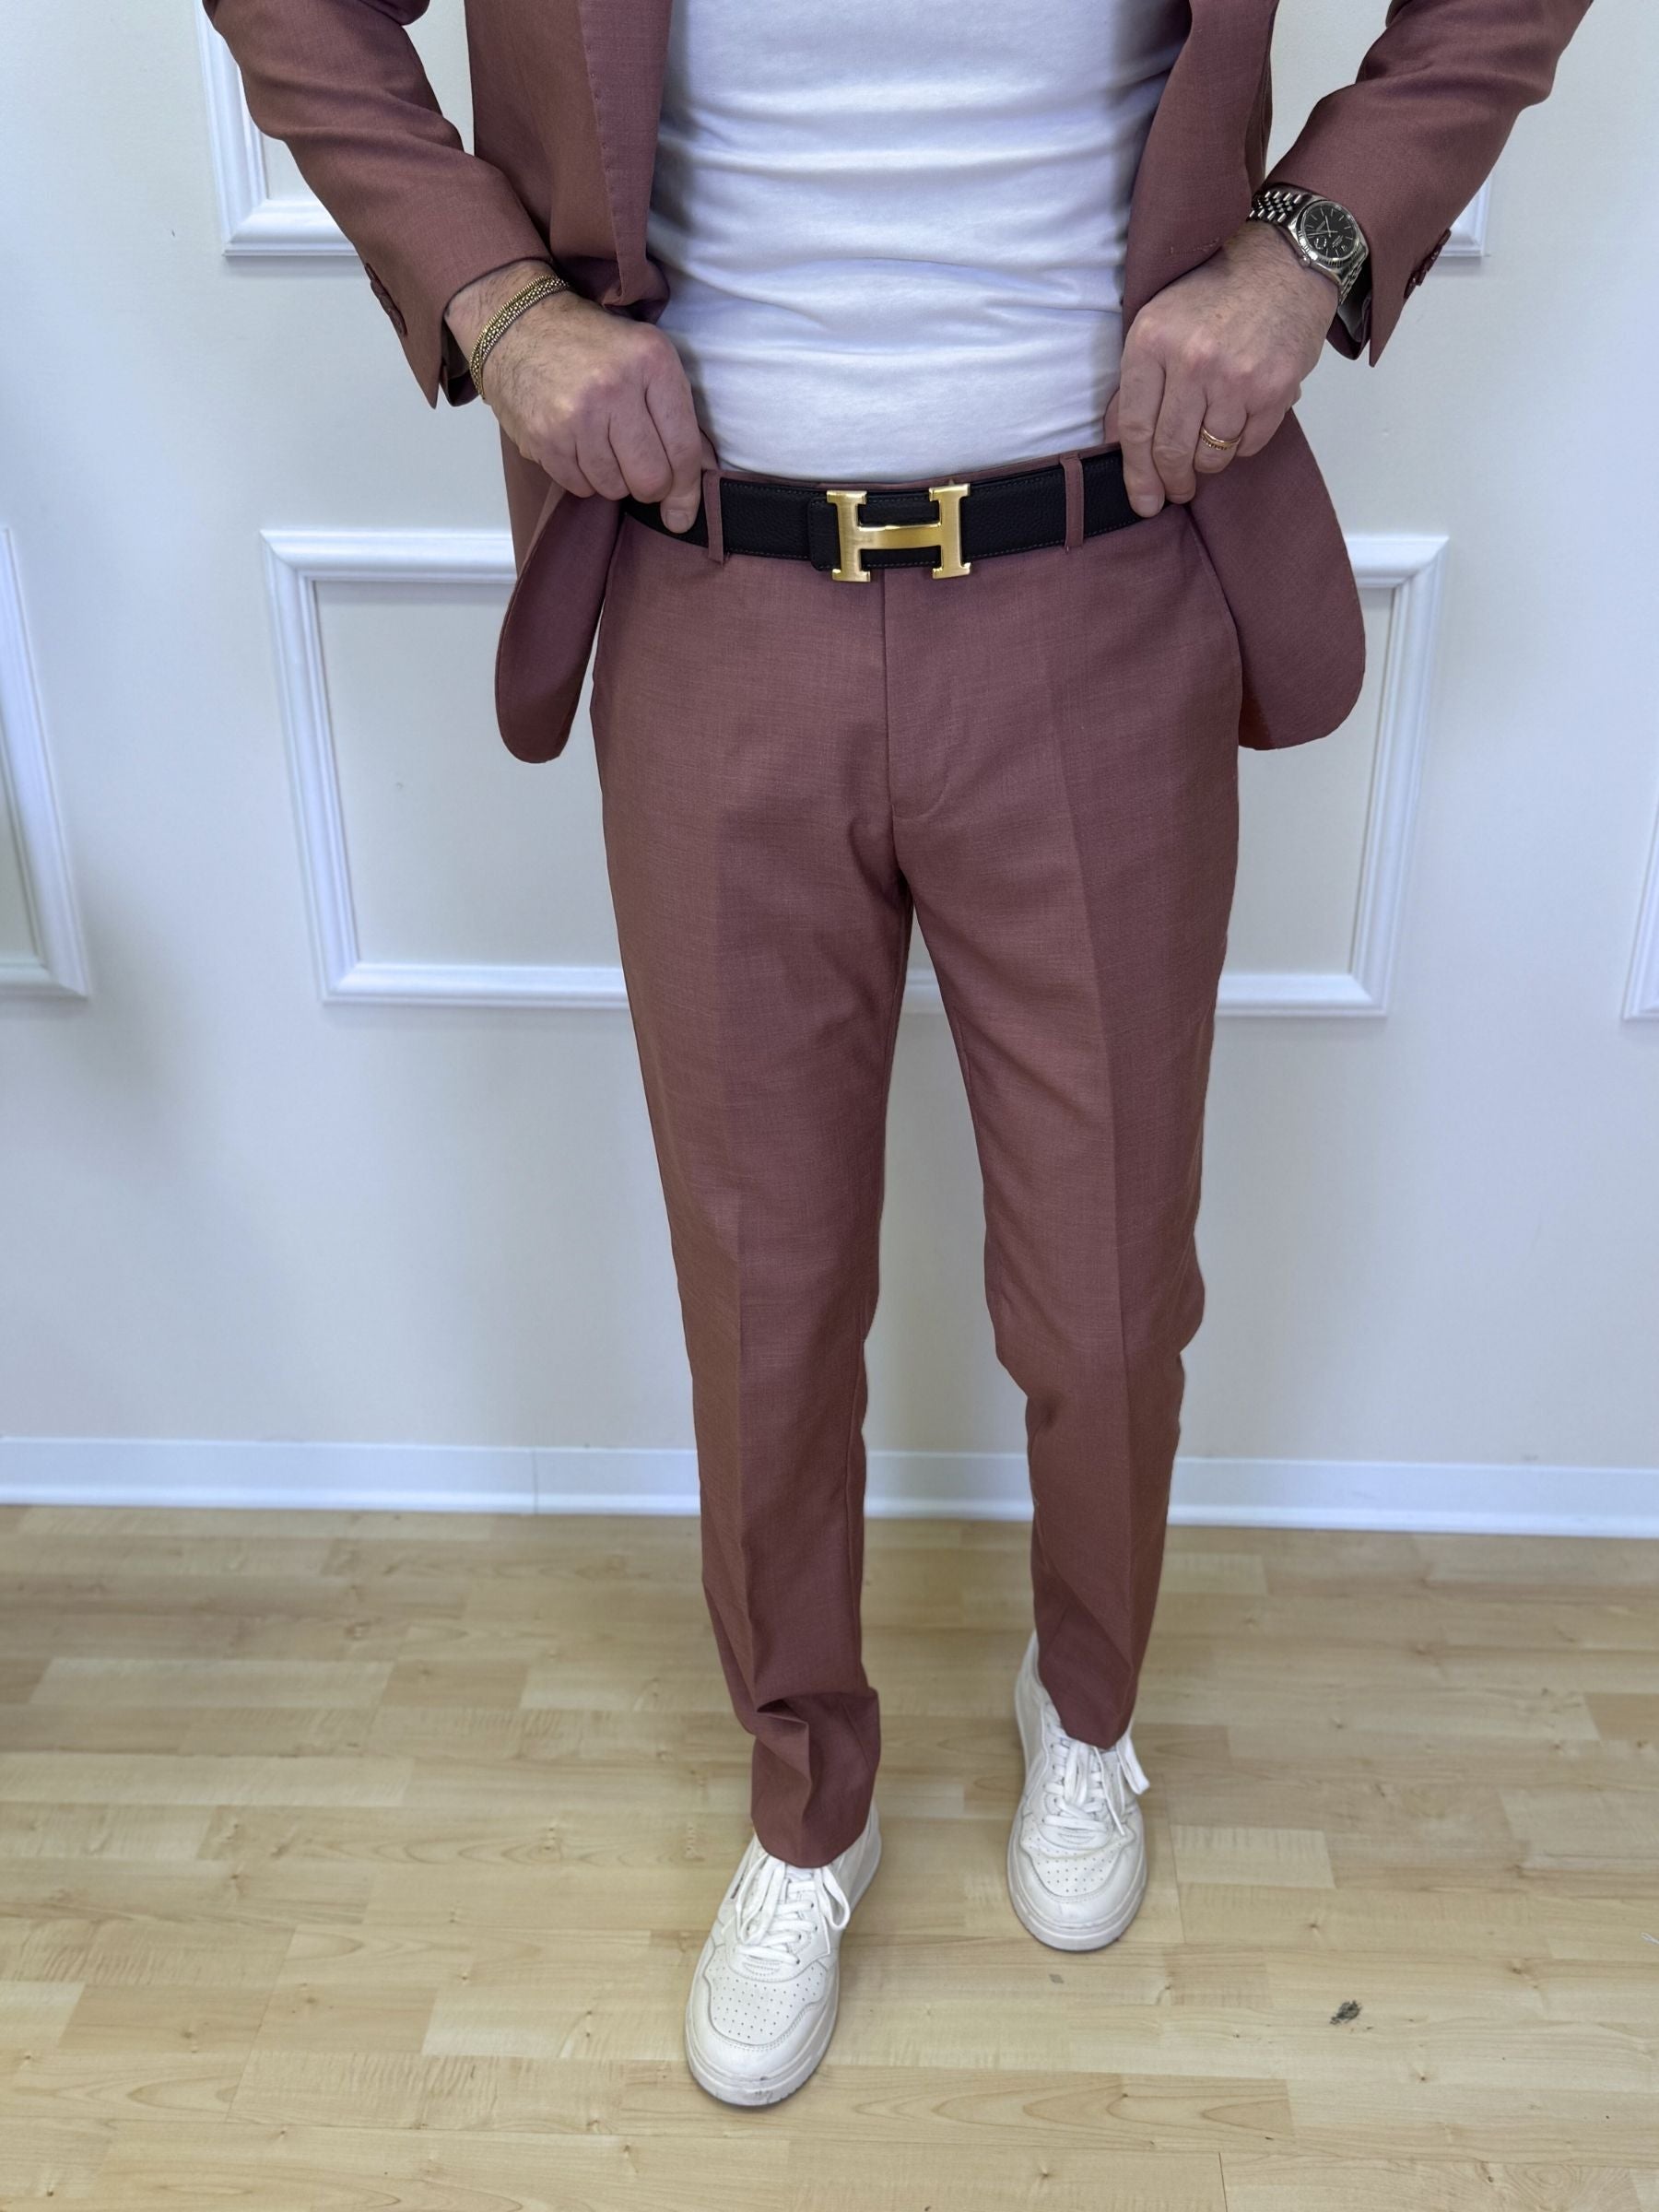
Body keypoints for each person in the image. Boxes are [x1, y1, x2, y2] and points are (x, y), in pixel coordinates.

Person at [204, 0, 1592, 2110]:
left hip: (1099, 583)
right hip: (713, 597)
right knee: (762, 1290)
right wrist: (494, 299)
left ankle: (1087, 1710)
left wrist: (1308, 244)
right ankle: (805, 1806)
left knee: (1104, 1287)